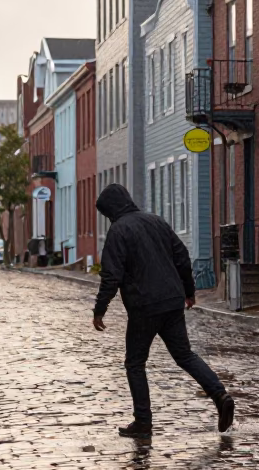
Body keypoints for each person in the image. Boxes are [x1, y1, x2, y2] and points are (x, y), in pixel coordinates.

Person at [92, 183, 236, 438]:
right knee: (184, 355)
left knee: (135, 363)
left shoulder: (119, 231)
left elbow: (111, 275)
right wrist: (189, 292)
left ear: (111, 209)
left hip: (144, 306)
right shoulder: (156, 221)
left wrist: (100, 309)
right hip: (172, 300)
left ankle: (143, 422)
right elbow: (181, 255)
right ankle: (220, 395)